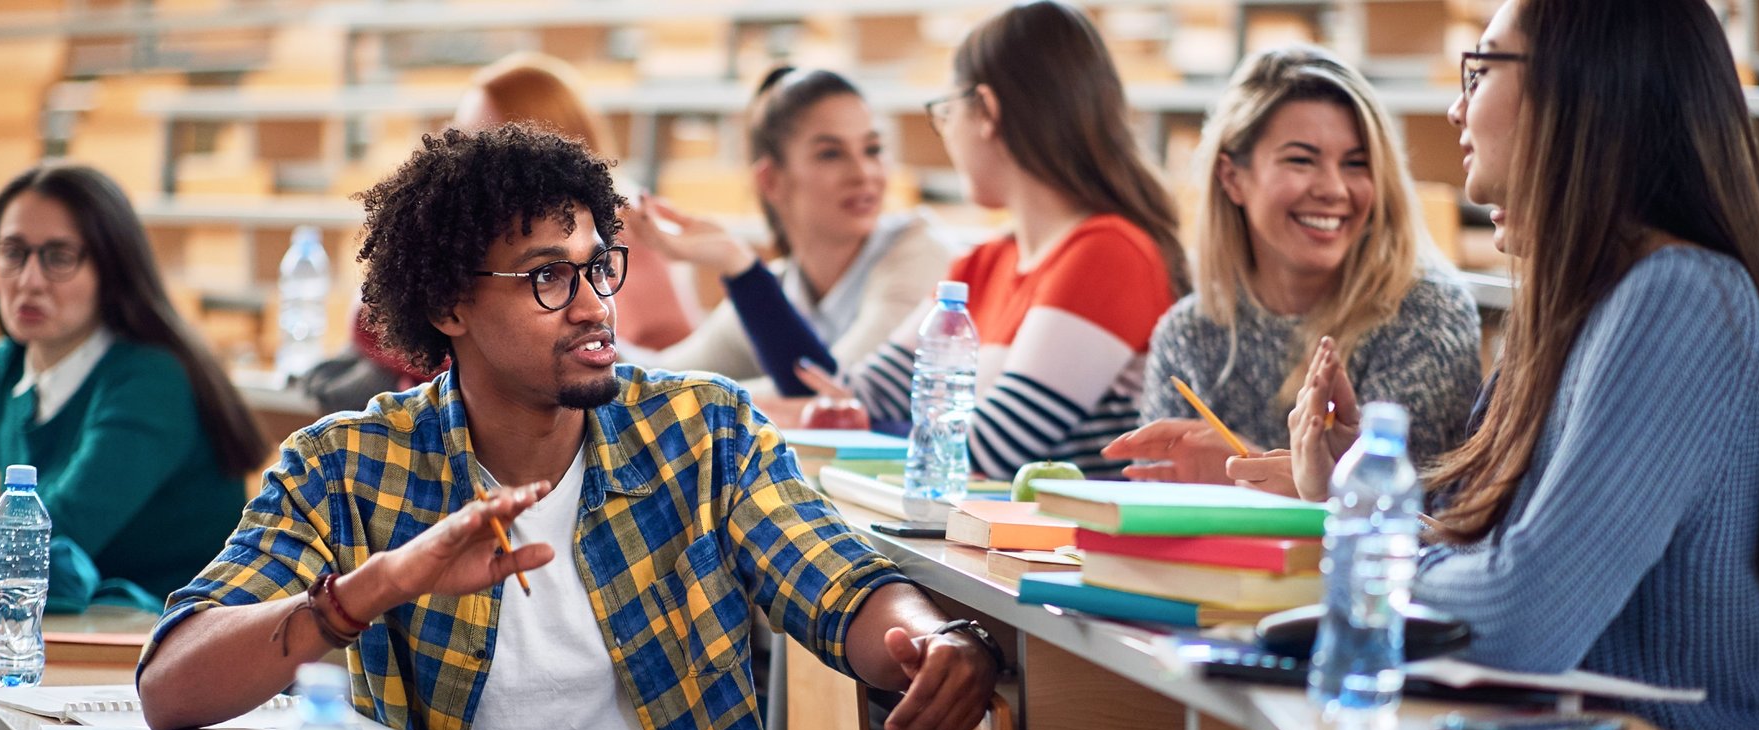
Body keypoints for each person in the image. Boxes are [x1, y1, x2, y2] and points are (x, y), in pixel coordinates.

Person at [136, 124, 1001, 730]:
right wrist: (371, 590)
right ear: (450, 304)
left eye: (598, 267)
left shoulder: (700, 430)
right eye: (546, 276)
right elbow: (173, 682)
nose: (593, 305)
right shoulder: (347, 462)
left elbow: (835, 581)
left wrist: (928, 641)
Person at [1395, 0, 1759, 730]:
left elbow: (1517, 617)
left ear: (1580, 90)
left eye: (1482, 67)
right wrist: (1356, 486)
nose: (1457, 107)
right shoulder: (1571, 303)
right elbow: (1477, 545)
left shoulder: (1682, 297)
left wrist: (1366, 540)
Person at [747, 0, 1191, 478]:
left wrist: (859, 423)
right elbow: (845, 395)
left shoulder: (1108, 252)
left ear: (986, 111)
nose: (945, 133)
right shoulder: (982, 264)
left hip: (1059, 550)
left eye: (945, 112)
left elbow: (990, 451)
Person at [1102, 45, 1480, 493]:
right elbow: (1158, 511)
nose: (1334, 189)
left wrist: (1244, 471)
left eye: (1356, 164)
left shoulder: (1428, 317)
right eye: (1301, 160)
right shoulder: (1189, 331)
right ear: (1232, 178)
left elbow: (1419, 522)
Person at [0, 163, 266, 597]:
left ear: (110, 271)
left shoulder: (152, 381)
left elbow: (53, 540)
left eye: (59, 257)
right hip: (69, 624)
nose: (29, 281)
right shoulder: (6, 365)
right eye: (12, 252)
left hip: (162, 635)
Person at [310, 52, 700, 410]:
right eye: (459, 135)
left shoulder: (612, 227)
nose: (464, 158)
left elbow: (572, 349)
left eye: (485, 139)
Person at [623, 66, 951, 395]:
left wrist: (742, 270)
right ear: (771, 180)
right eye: (831, 154)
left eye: (873, 150)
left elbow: (833, 395)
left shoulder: (919, 253)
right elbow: (658, 379)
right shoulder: (780, 286)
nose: (864, 173)